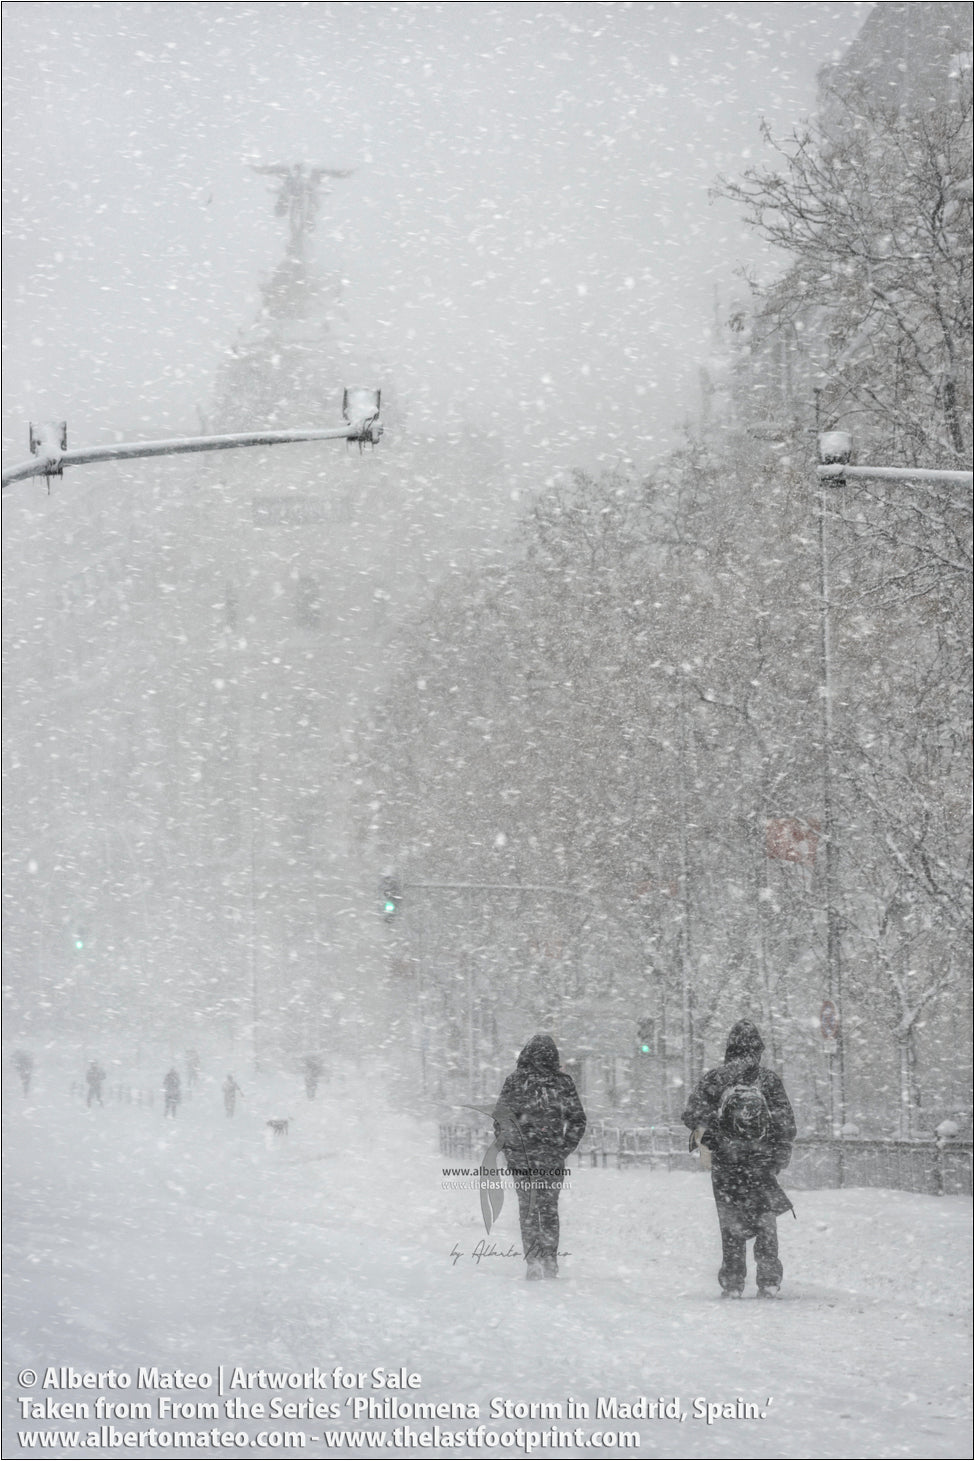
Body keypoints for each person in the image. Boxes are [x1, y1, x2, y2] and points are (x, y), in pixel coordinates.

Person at [682, 1019, 796, 1299]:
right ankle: (769, 1279)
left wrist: (714, 1136)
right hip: (761, 1162)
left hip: (726, 1163)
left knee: (730, 1221)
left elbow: (690, 1115)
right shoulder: (768, 1080)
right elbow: (786, 1124)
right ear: (759, 1048)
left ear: (729, 1047)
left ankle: (733, 1282)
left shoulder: (716, 1078)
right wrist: (778, 1155)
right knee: (765, 1220)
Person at [492, 1034, 587, 1281]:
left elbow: (501, 1120)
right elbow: (577, 1119)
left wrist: (511, 1150)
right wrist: (563, 1148)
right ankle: (549, 1260)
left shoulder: (515, 1082)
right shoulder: (562, 1083)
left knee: (528, 1209)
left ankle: (533, 1259)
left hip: (523, 1159)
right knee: (549, 1210)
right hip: (551, 1158)